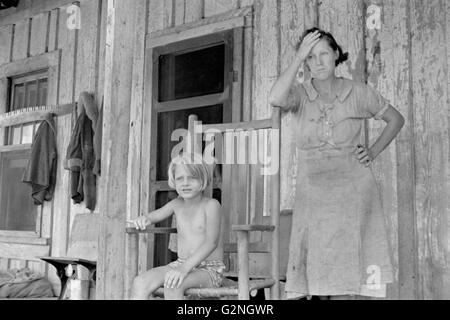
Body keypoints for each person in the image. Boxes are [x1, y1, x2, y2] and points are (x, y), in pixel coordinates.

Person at [269, 27, 404, 300]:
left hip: (353, 193)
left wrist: (374, 151)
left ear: (336, 56)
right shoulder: (299, 94)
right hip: (314, 195)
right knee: (315, 274)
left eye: (323, 54)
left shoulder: (358, 92)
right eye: (310, 57)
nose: (317, 62)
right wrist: (297, 57)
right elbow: (275, 98)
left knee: (349, 275)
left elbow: (396, 119)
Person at [129, 153, 225, 300]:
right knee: (140, 282)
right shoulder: (176, 204)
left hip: (209, 270)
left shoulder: (211, 205)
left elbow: (211, 243)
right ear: (174, 180)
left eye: (192, 177)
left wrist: (184, 269)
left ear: (203, 179)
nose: (185, 183)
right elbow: (153, 216)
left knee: (173, 284)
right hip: (180, 264)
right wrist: (143, 219)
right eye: (180, 178)